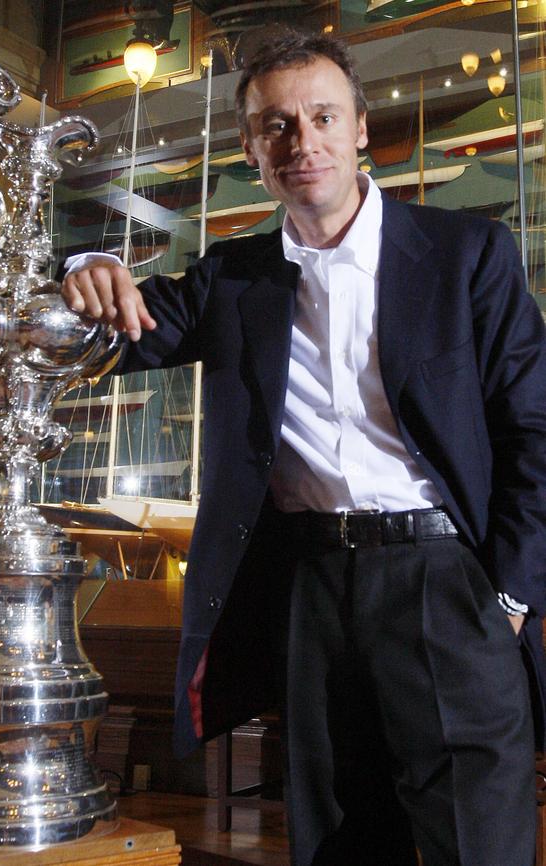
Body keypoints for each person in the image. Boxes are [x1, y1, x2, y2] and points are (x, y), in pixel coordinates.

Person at [62, 29, 546, 866]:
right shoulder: (233, 275)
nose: (302, 140)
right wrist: (84, 264)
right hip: (308, 587)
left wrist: (505, 595)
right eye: (276, 124)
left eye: (322, 116)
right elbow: (109, 332)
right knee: (336, 839)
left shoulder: (466, 254)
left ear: (360, 127)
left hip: (443, 579)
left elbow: (535, 430)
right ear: (252, 149)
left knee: (478, 839)